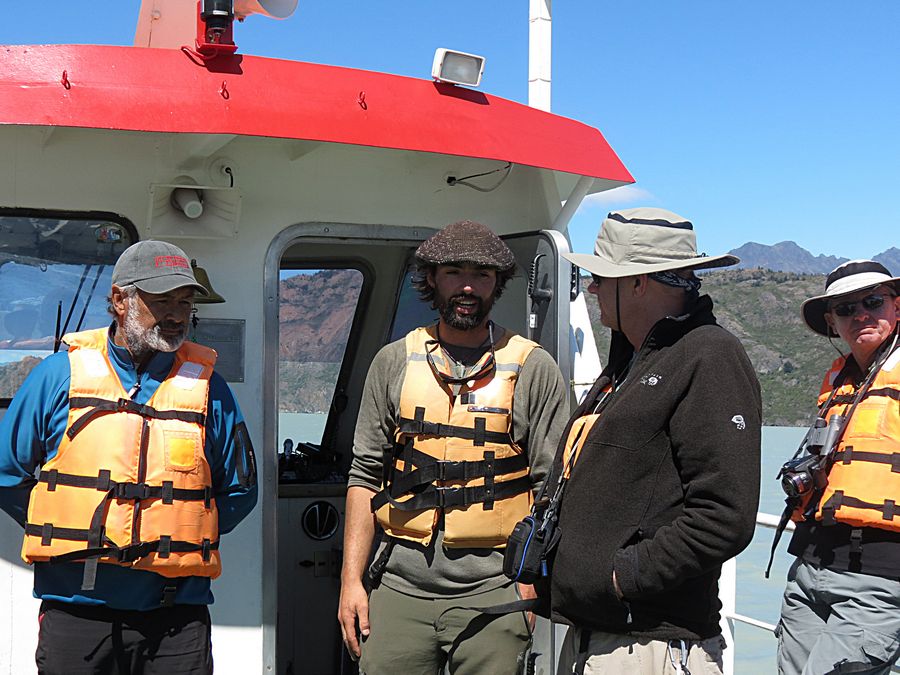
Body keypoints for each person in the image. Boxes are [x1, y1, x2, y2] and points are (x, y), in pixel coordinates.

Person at [0, 240, 258, 675]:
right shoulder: (56, 378)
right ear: (120, 300)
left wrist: (180, 531)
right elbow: (8, 476)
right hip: (76, 614)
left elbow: (239, 492)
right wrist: (73, 521)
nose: (176, 314)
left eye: (185, 301)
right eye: (162, 301)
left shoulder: (212, 391)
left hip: (177, 620)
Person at [338, 220, 569, 675]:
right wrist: (351, 583)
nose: (468, 286)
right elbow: (364, 476)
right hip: (399, 588)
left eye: (482, 275)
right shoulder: (392, 362)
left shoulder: (533, 368)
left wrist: (529, 588)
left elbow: (554, 489)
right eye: (454, 272)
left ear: (497, 285)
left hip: (496, 593)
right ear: (430, 280)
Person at [551, 207, 762, 674]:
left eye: (601, 278)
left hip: (649, 649)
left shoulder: (710, 356)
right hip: (600, 636)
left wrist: (620, 577)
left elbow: (725, 516)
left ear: (638, 282)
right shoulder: (630, 361)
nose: (592, 288)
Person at [776, 260, 900, 675]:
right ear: (832, 321)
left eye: (872, 301)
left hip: (878, 578)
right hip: (810, 569)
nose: (861, 314)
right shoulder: (838, 382)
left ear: (897, 306)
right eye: (846, 309)